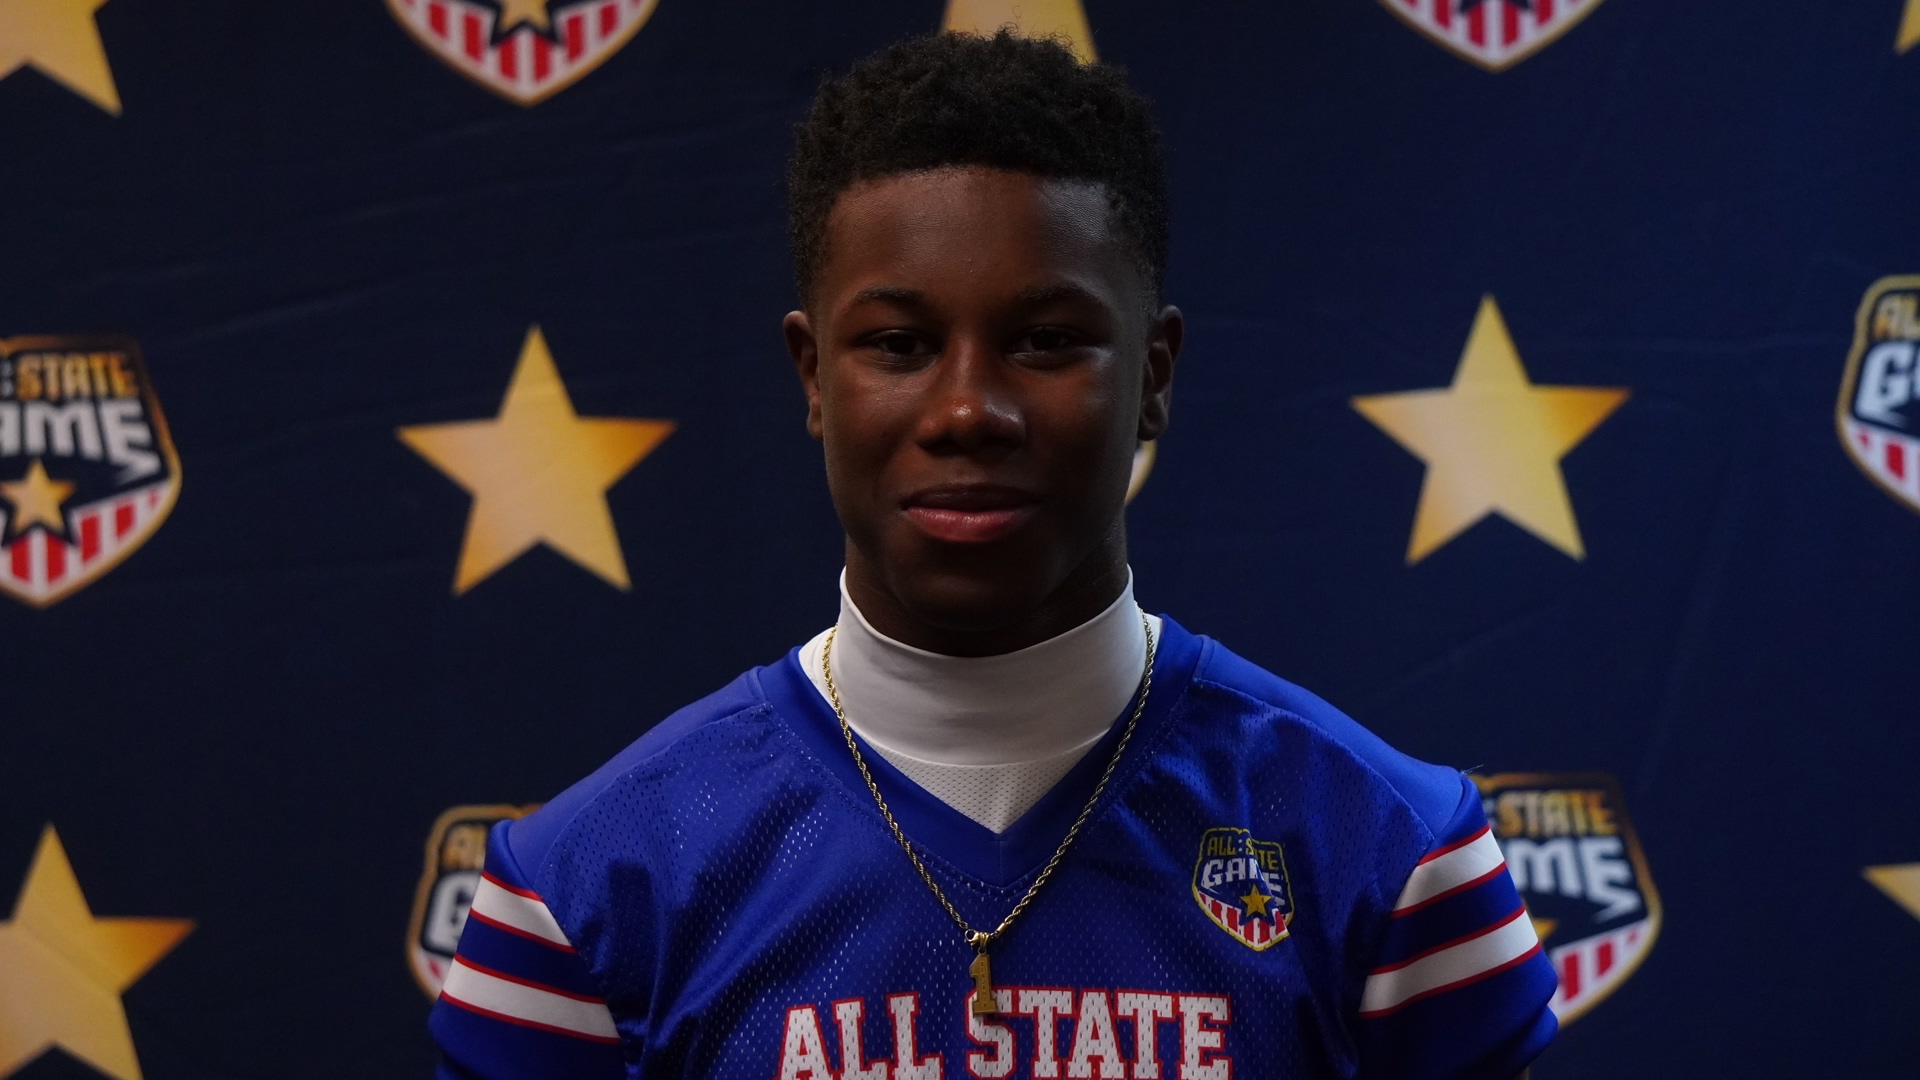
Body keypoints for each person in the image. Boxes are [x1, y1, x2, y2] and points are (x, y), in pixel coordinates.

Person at [428, 30, 1557, 1080]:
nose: (969, 409)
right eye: (900, 344)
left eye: (1046, 341)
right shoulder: (585, 896)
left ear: (1155, 374)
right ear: (814, 376)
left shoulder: (1395, 864)